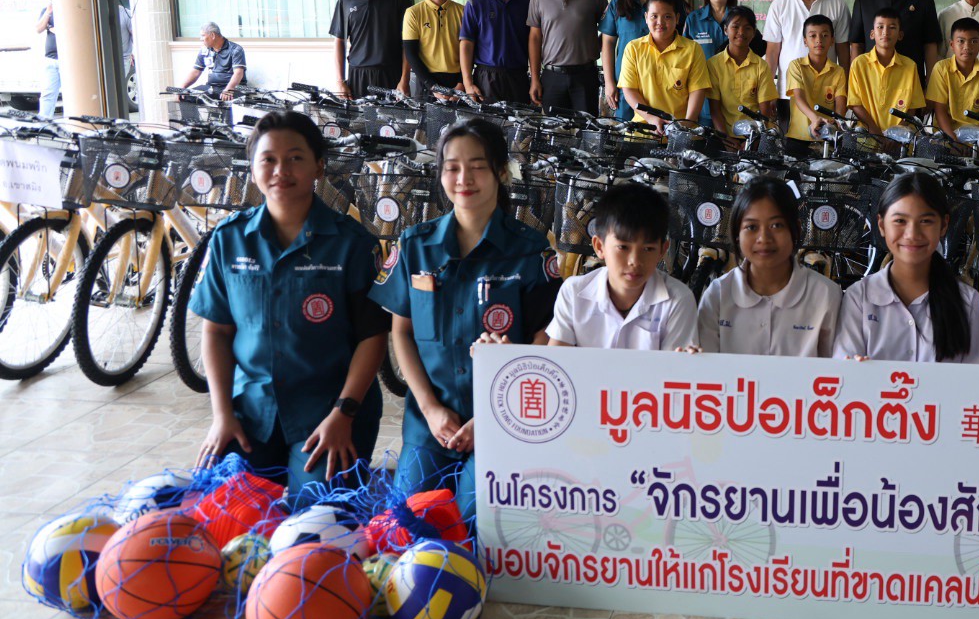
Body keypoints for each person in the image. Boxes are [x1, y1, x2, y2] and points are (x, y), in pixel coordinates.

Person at [190, 111, 388, 500]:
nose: (281, 170)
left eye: (296, 158)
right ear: (252, 170)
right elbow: (216, 331)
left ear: (319, 166)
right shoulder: (229, 239)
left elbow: (373, 337)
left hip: (329, 411)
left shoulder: (352, 243)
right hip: (252, 411)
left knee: (319, 516)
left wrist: (343, 413)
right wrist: (222, 415)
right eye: (268, 159)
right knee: (223, 508)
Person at [370, 118, 556, 522]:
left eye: (478, 166)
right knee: (409, 520)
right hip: (430, 421)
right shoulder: (416, 245)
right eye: (452, 167)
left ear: (501, 173)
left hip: (503, 419)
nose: (463, 179)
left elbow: (545, 339)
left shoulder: (530, 250)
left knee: (475, 522)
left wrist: (493, 414)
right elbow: (401, 332)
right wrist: (429, 408)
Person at [834, 173, 979, 363]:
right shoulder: (859, 298)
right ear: (881, 225)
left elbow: (975, 377)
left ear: (944, 225)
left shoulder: (968, 302)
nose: (912, 234)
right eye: (900, 221)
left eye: (925, 221)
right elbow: (844, 370)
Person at [545, 181, 698, 350]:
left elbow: (673, 365)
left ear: (662, 250)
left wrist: (688, 362)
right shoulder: (574, 292)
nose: (635, 261)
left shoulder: (678, 299)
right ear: (599, 246)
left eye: (648, 249)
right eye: (623, 247)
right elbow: (555, 360)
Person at [697, 178, 841, 356]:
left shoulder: (826, 295)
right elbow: (706, 366)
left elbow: (838, 366)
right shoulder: (718, 294)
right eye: (751, 227)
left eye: (776, 225)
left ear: (796, 230)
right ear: (737, 234)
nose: (764, 238)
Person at [527, 0, 609, 114]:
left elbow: (608, 31)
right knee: (553, 129)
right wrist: (535, 79)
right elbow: (535, 37)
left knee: (587, 129)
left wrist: (594, 46)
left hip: (585, 76)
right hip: (552, 77)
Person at [764, 0, 854, 108]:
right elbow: (772, 52)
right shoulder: (779, 5)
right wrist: (769, 91)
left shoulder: (838, 4)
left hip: (828, 92)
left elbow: (843, 51)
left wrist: (845, 90)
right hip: (788, 92)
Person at [601, 0, 682, 121]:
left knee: (663, 131)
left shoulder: (672, 0)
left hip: (665, 86)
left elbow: (683, 40)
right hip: (627, 85)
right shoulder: (618, 2)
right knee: (627, 132)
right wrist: (609, 82)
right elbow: (608, 42)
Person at [618, 0, 712, 127]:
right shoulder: (633, 49)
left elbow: (697, 90)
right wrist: (651, 119)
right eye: (654, 16)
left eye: (667, 16)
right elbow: (629, 89)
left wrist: (686, 125)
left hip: (680, 129)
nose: (660, 22)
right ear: (646, 18)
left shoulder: (692, 49)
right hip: (644, 128)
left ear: (677, 18)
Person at [330, 0, 410, 99]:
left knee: (392, 117)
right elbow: (339, 40)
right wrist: (340, 81)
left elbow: (408, 42)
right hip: (357, 76)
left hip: (391, 75)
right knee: (358, 116)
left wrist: (404, 79)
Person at [850, 0, 940, 82]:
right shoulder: (863, 0)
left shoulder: (923, 0)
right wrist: (855, 82)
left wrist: (932, 83)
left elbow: (930, 45)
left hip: (911, 80)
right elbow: (857, 44)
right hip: (871, 81)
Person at [459, 0, 530, 105]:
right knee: (487, 121)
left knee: (520, 121)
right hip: (486, 79)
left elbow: (533, 43)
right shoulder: (475, 4)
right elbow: (466, 45)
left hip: (518, 78)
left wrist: (535, 78)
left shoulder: (526, 5)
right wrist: (468, 83)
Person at [847, 7, 925, 135]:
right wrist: (876, 133)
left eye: (892, 27)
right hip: (867, 137)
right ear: (872, 34)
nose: (885, 32)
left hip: (900, 139)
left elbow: (912, 107)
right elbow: (855, 104)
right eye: (880, 27)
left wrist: (896, 134)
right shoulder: (859, 64)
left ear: (900, 35)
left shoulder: (910, 66)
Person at [706, 6, 777, 141]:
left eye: (747, 28)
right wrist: (727, 140)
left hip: (756, 136)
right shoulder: (713, 65)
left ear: (754, 32)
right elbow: (715, 110)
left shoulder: (761, 66)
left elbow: (765, 111)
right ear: (725, 30)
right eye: (736, 27)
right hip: (725, 135)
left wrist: (754, 140)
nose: (741, 32)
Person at [926, 16, 979, 140]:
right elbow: (940, 111)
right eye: (961, 41)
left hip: (977, 138)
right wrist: (953, 141)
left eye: (973, 41)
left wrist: (978, 142)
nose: (967, 47)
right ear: (952, 45)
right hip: (945, 136)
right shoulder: (941, 69)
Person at [683, 0, 738, 128]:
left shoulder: (740, 19)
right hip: (703, 102)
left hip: (735, 101)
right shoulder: (693, 20)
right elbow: (684, 60)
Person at [402, 0, 464, 99]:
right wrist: (433, 87)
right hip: (426, 83)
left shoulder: (464, 11)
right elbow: (411, 53)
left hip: (457, 83)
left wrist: (462, 83)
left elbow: (470, 52)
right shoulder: (413, 13)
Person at [785, 15, 848, 142]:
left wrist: (836, 122)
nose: (819, 40)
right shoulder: (796, 66)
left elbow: (840, 103)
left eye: (825, 35)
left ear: (832, 40)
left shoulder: (838, 71)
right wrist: (815, 119)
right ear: (805, 41)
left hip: (827, 137)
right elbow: (798, 97)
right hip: (798, 136)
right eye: (813, 36)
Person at [179, 23, 247, 101]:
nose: (201, 39)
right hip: (212, 88)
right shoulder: (205, 50)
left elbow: (238, 73)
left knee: (228, 100)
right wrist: (182, 88)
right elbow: (196, 71)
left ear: (212, 35)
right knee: (185, 96)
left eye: (203, 35)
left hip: (233, 88)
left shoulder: (235, 49)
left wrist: (229, 90)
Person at [36, 3, 58, 118]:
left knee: (72, 94)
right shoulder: (47, 10)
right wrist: (48, 12)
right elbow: (38, 29)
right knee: (47, 93)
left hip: (68, 60)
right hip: (51, 59)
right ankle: (44, 122)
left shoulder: (70, 7)